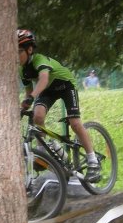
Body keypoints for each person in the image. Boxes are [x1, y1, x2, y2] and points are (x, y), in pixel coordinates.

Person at [17, 29, 100, 182]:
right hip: (48, 90)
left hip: (65, 85)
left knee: (75, 123)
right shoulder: (23, 71)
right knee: (38, 116)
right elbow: (29, 91)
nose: (16, 56)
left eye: (19, 51)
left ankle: (93, 160)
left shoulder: (39, 60)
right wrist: (23, 107)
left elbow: (43, 80)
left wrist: (30, 98)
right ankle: (44, 152)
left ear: (29, 50)